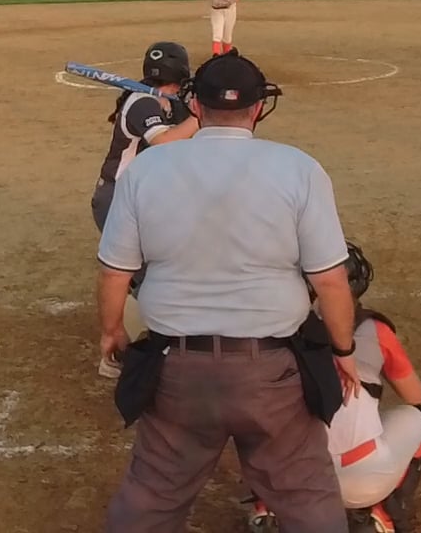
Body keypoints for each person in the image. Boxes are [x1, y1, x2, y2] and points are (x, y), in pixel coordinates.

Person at [97, 51, 360, 533]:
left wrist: (112, 331)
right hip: (271, 371)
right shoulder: (299, 168)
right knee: (306, 494)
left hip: (177, 367)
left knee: (152, 494)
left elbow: (115, 272)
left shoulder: (145, 170)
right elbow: (330, 280)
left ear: (196, 106)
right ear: (258, 108)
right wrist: (343, 350)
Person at [245, 243, 421, 533]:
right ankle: (381, 515)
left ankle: (267, 507)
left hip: (292, 480)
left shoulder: (280, 328)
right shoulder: (375, 331)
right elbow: (415, 397)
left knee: (255, 410)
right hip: (360, 481)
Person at [90, 41, 202, 378]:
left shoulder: (166, 104)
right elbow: (164, 142)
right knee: (140, 276)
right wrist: (199, 116)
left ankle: (145, 346)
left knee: (151, 273)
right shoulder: (141, 103)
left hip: (139, 199)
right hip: (116, 198)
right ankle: (120, 354)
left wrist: (191, 114)